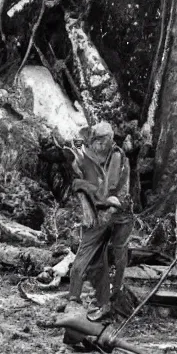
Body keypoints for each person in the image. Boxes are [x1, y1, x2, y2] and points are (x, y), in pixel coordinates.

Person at [45, 121, 132, 322]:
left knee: (117, 255)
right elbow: (88, 183)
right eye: (94, 141)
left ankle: (111, 298)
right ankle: (79, 299)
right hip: (100, 214)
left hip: (117, 214)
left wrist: (85, 188)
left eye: (100, 141)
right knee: (91, 258)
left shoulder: (116, 156)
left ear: (108, 140)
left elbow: (109, 191)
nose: (96, 145)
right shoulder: (92, 155)